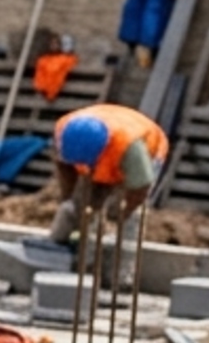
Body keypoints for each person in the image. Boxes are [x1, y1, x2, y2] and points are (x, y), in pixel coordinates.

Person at [45, 104, 168, 247]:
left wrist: (118, 217)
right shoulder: (63, 132)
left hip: (142, 151)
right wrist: (70, 201)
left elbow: (140, 188)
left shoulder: (131, 149)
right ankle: (73, 241)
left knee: (125, 212)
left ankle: (122, 250)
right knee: (80, 204)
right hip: (108, 147)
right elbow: (65, 168)